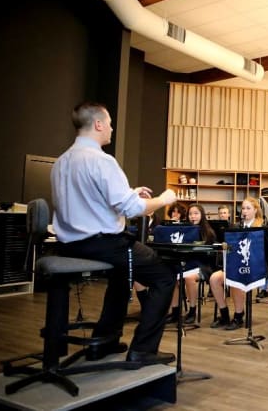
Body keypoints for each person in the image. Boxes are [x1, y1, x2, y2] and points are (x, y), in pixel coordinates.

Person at [51, 101, 177, 365]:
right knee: (164, 277)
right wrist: (164, 200)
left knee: (123, 276)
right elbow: (133, 210)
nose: (111, 128)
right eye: (109, 123)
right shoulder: (102, 160)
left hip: (68, 245)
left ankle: (104, 343)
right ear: (98, 124)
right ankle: (143, 350)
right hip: (104, 244)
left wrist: (130, 192)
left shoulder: (61, 162)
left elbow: (87, 202)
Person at [208, 197, 264, 330]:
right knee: (214, 279)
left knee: (235, 278)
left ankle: (239, 315)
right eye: (243, 208)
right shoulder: (235, 227)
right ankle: (224, 314)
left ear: (255, 210)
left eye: (248, 208)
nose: (244, 211)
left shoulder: (261, 227)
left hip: (253, 267)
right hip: (235, 265)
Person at [165, 204, 216, 325]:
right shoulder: (184, 230)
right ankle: (175, 312)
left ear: (202, 215)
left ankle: (192, 311)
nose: (193, 216)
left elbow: (210, 255)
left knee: (189, 278)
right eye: (190, 214)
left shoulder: (208, 231)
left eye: (196, 213)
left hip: (203, 265)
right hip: (187, 264)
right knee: (173, 278)